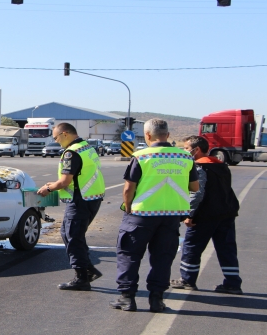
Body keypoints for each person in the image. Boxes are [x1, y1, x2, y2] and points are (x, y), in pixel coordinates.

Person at [110, 119, 199, 313]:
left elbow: (128, 188)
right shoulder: (186, 157)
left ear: (148, 136)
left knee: (129, 255)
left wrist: (128, 207)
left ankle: (127, 298)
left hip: (141, 215)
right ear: (167, 135)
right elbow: (194, 187)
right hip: (171, 216)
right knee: (163, 258)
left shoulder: (142, 156)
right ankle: (157, 300)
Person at [37, 123, 105, 291]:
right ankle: (88, 269)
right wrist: (55, 183)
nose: (56, 141)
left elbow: (66, 181)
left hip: (79, 200)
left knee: (72, 237)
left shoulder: (71, 153)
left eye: (56, 138)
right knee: (71, 235)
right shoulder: (86, 147)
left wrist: (48, 188)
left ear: (65, 134)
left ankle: (82, 277)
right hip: (91, 197)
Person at [170, 136, 242, 294]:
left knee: (192, 246)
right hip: (226, 213)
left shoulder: (199, 167)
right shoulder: (221, 165)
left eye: (187, 148)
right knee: (227, 248)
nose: (185, 151)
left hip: (206, 215)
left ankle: (187, 279)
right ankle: (233, 283)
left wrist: (188, 214)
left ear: (197, 150)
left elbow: (197, 193)